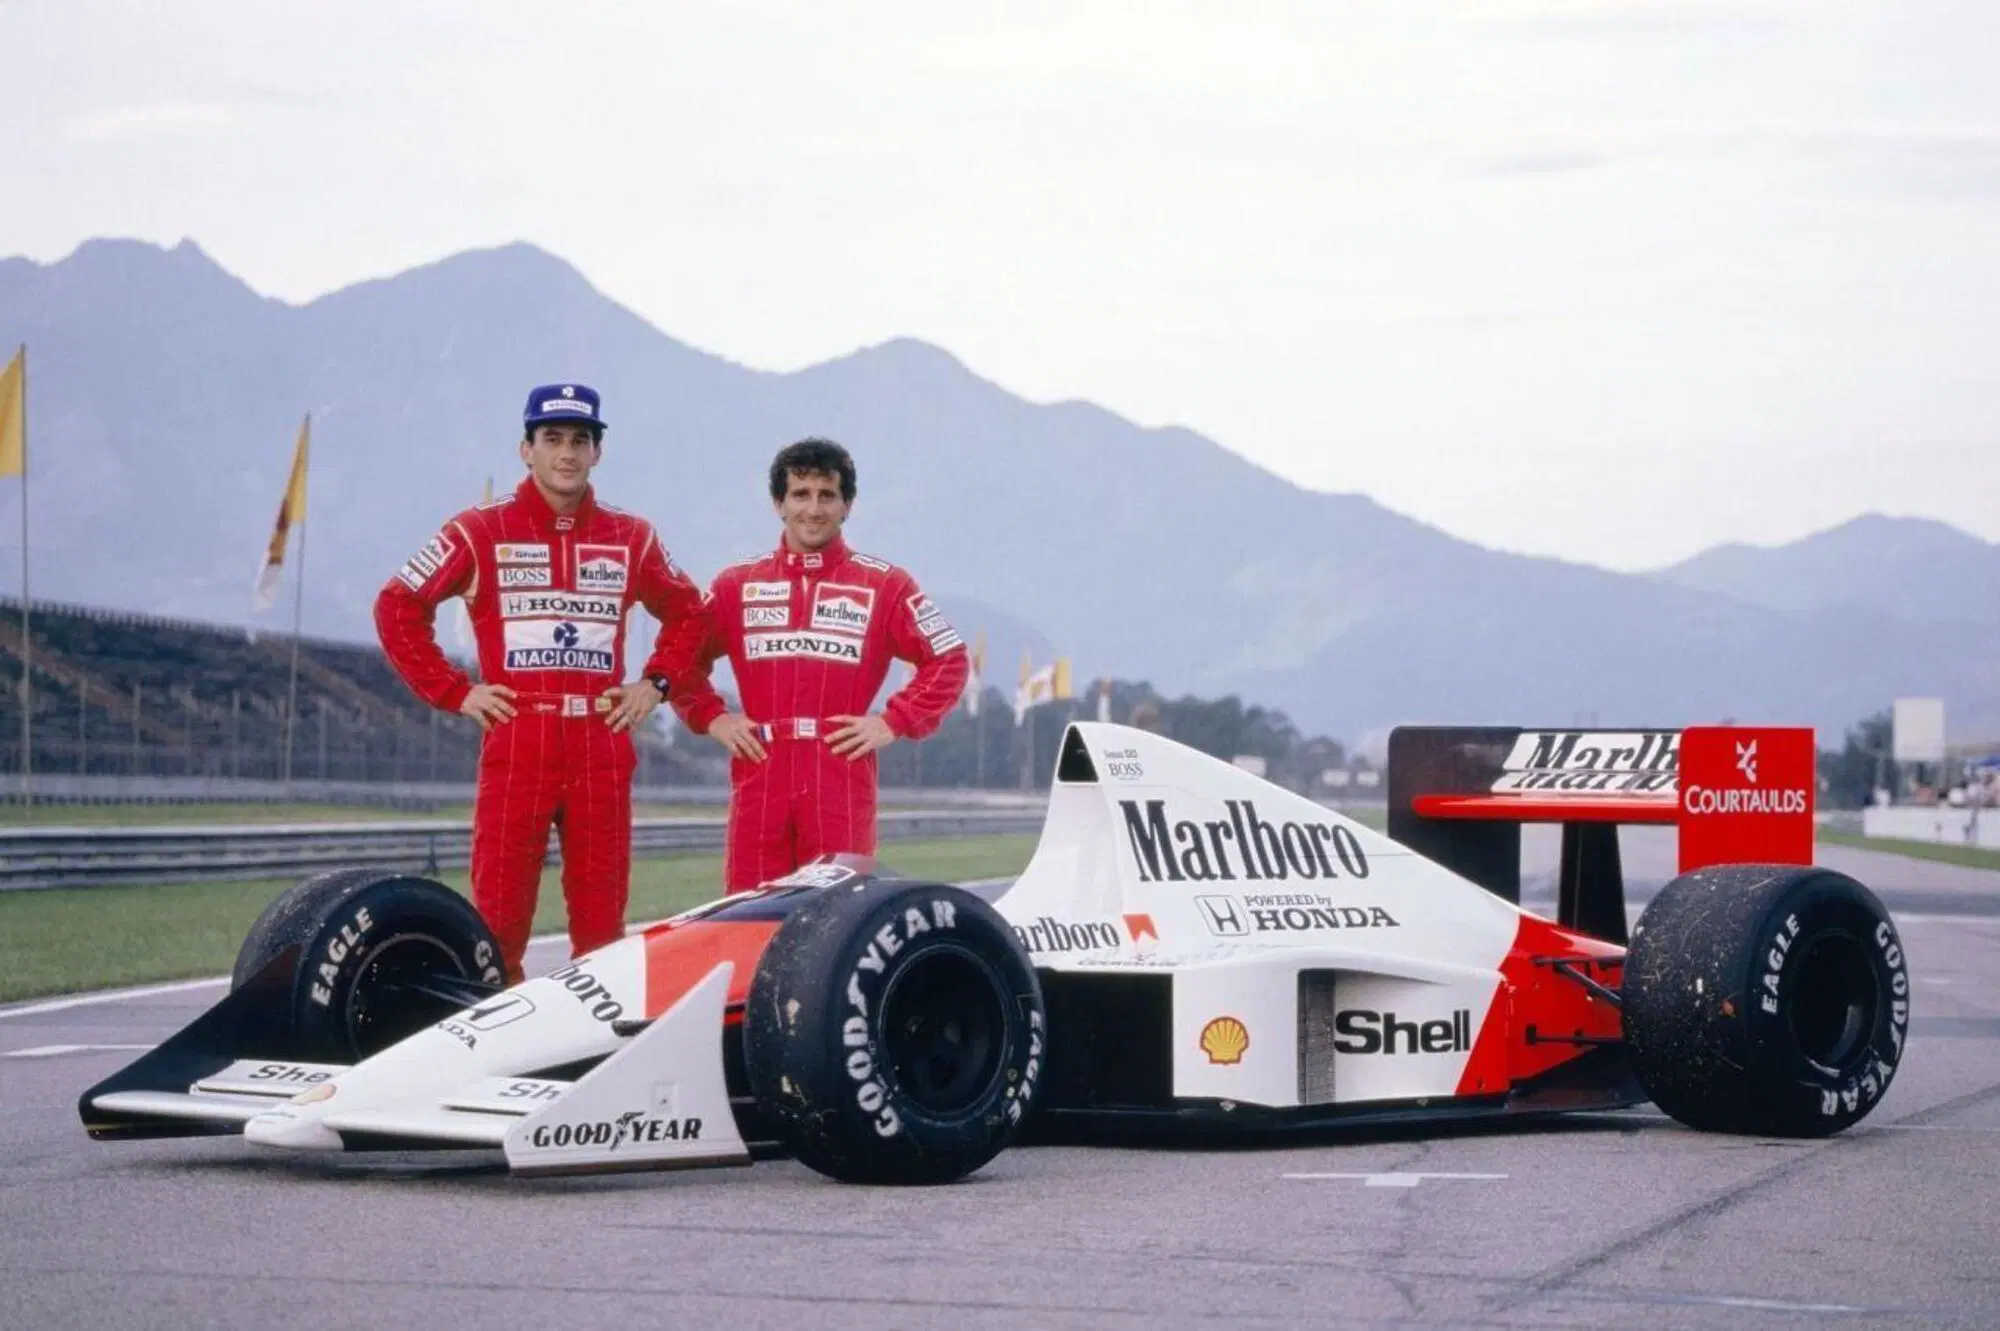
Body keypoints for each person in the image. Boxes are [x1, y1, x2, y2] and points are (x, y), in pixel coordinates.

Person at [375, 383, 707, 981]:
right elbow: (397, 606)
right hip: (518, 734)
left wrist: (654, 685)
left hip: (601, 741)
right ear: (525, 449)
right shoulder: (479, 529)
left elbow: (691, 612)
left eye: (581, 440)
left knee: (602, 928)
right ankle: (496, 1051)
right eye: (552, 438)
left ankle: (594, 1054)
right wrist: (455, 690)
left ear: (598, 453)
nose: (567, 453)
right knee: (498, 924)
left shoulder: (632, 536)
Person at [672, 438, 969, 890]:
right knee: (748, 920)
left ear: (847, 505)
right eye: (800, 494)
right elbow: (679, 660)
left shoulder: (885, 584)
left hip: (840, 773)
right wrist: (713, 719)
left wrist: (894, 720)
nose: (813, 509)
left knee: (837, 921)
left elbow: (948, 658)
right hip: (761, 772)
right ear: (778, 503)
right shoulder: (736, 584)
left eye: (826, 495)